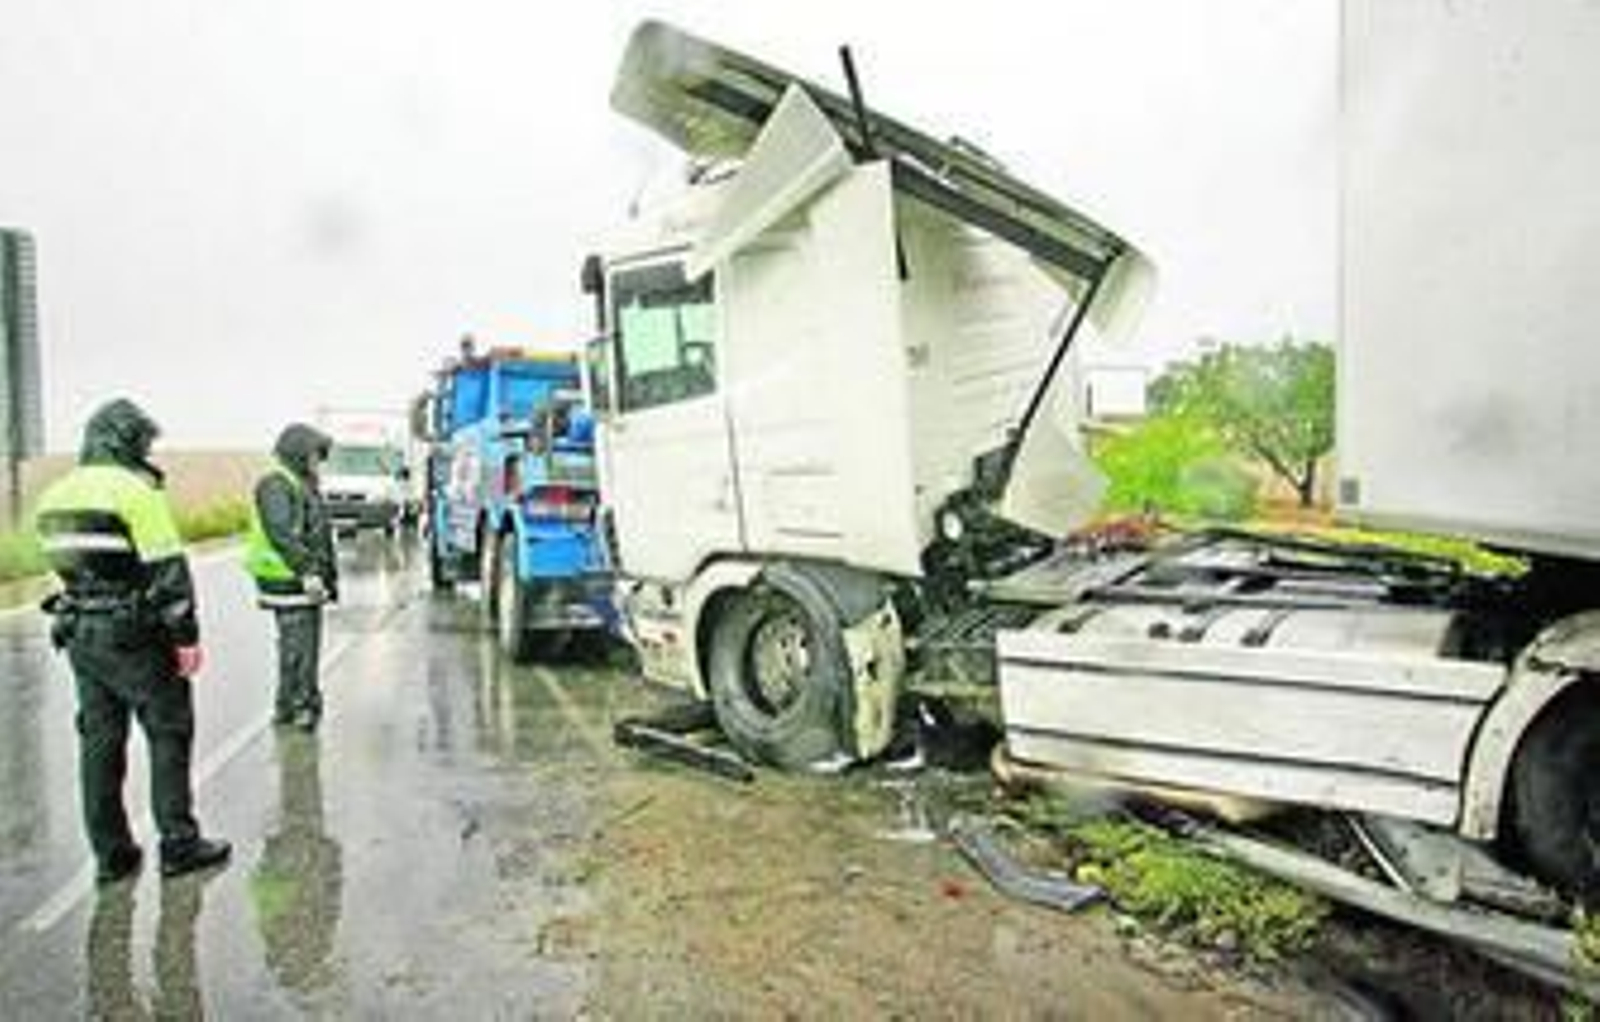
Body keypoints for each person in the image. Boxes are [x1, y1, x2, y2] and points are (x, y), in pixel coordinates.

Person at [33, 398, 231, 883]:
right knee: (168, 732)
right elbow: (168, 572)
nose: (148, 450)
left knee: (100, 742)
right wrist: (185, 637)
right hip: (137, 635)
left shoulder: (53, 495)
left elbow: (63, 572)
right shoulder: (136, 493)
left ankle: (112, 855)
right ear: (126, 441)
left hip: (80, 634)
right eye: (143, 441)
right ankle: (179, 844)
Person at [244, 423, 338, 730]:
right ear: (297, 453)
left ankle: (290, 704)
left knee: (296, 646)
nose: (317, 462)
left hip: (298, 578)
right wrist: (308, 571)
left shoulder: (299, 482)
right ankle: (300, 707)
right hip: (288, 580)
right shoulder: (277, 483)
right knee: (300, 648)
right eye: (313, 455)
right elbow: (281, 532)